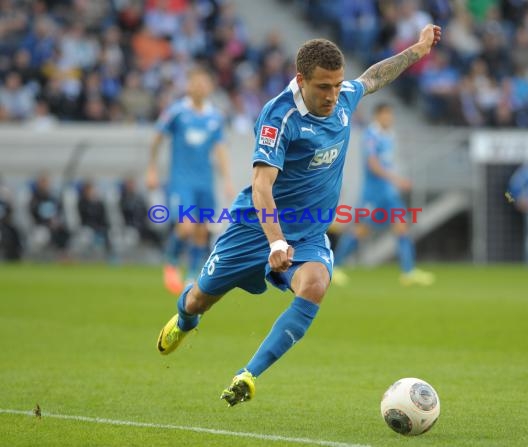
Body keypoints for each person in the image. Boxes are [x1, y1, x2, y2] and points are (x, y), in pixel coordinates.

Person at [157, 25, 442, 407]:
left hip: (307, 234)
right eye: (324, 87)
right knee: (198, 300)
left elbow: (372, 76)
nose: (333, 95)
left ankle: (248, 375)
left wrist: (418, 49)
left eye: (337, 85)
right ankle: (186, 321)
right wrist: (275, 240)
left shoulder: (343, 99)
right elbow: (261, 186)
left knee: (315, 285)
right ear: (301, 79)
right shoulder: (279, 117)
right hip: (254, 228)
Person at [146, 66, 234, 296]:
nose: (200, 87)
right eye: (196, 83)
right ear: (188, 86)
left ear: (210, 87)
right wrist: (152, 169)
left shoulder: (215, 116)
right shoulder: (177, 112)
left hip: (205, 181)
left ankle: (192, 274)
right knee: (185, 226)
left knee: (202, 229)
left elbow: (220, 148)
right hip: (181, 181)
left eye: (204, 83)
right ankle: (172, 260)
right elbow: (157, 138)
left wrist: (226, 180)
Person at [332, 103, 434, 286]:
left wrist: (393, 181)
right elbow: (372, 165)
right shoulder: (371, 136)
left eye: (391, 115)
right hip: (373, 194)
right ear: (377, 116)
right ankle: (333, 267)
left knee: (402, 227)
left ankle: (408, 272)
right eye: (387, 115)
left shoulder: (389, 135)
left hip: (388, 193)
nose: (390, 118)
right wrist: (396, 179)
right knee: (360, 231)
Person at [28, 173, 70, 255]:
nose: (45, 184)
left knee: (64, 232)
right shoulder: (35, 198)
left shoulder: (53, 197)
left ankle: (62, 255)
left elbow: (59, 211)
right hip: (40, 226)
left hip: (53, 226)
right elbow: (33, 214)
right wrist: (46, 222)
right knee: (40, 237)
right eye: (43, 182)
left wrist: (56, 221)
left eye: (46, 182)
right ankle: (36, 258)